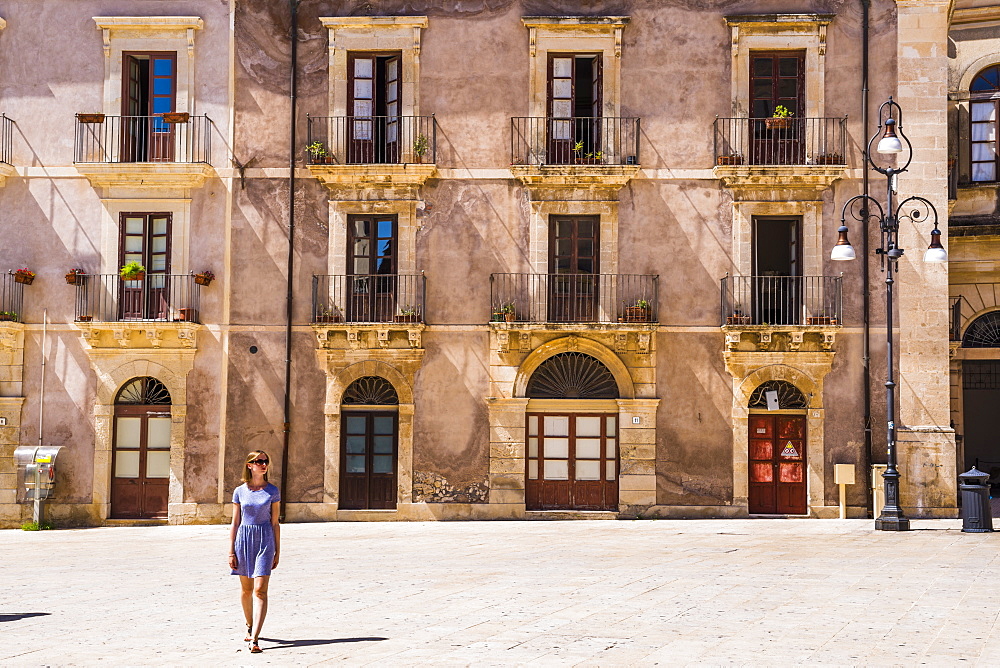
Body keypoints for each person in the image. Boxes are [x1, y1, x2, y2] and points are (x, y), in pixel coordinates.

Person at [229, 450, 281, 653]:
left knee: (260, 590)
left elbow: (275, 522)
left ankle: (255, 639)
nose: (263, 464)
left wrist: (278, 550)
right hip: (244, 540)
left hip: (265, 540)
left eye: (265, 461)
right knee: (246, 590)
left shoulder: (273, 491)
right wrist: (231, 551)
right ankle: (249, 625)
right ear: (249, 465)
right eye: (259, 461)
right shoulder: (239, 491)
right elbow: (235, 522)